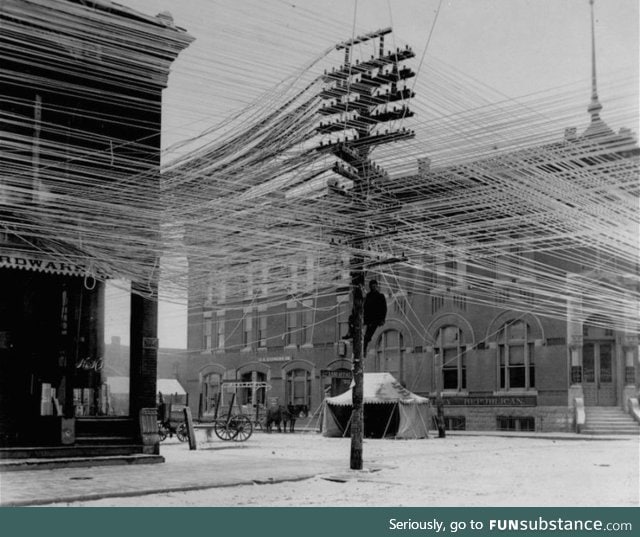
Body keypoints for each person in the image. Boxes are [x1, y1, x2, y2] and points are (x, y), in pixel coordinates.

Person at [363, 279, 387, 355]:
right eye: (372, 286)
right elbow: (365, 308)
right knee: (367, 335)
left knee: (368, 335)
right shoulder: (368, 296)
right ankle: (363, 349)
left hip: (376, 319)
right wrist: (365, 320)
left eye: (375, 285)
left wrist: (382, 319)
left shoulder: (380, 296)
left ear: (376, 286)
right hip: (369, 319)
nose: (373, 287)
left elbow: (384, 308)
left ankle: (364, 349)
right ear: (370, 287)